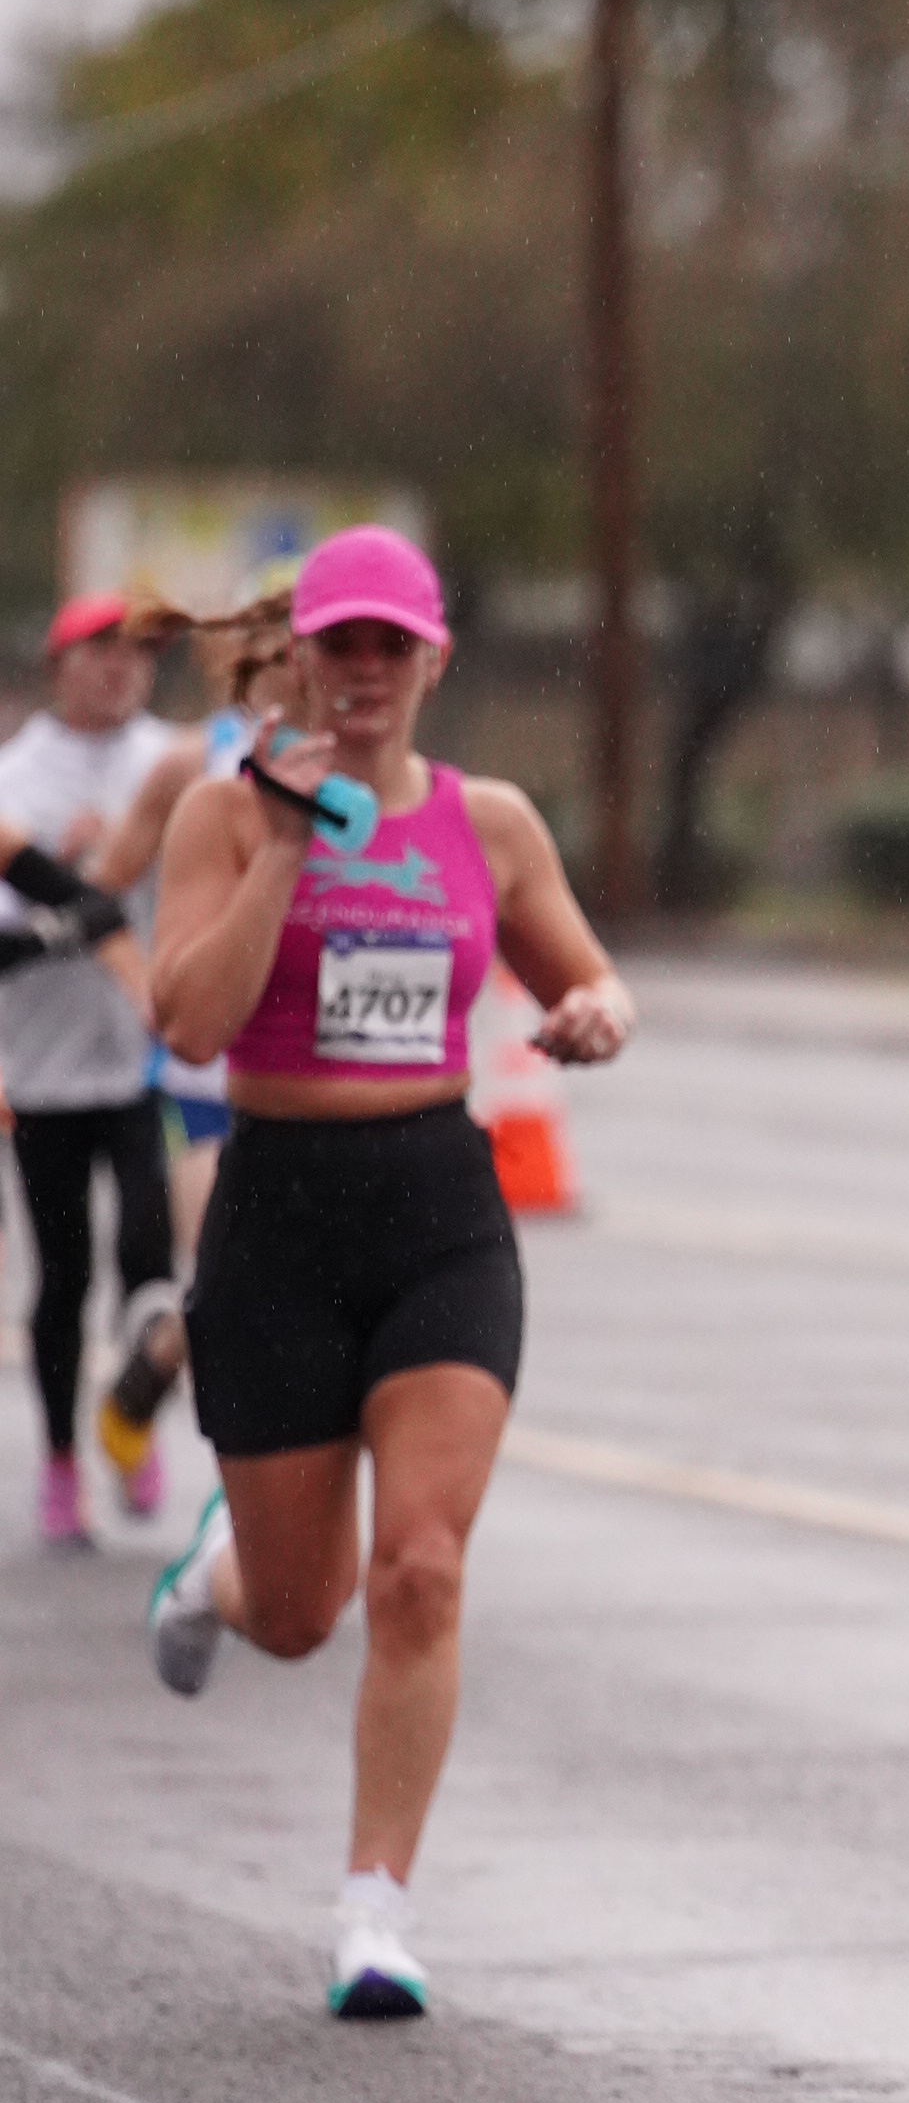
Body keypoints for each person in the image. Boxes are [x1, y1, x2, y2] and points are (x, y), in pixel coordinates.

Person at [142, 524, 633, 2022]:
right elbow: (188, 1023)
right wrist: (292, 845)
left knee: (419, 1568)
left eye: (388, 647)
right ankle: (221, 1575)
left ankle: (375, 1910)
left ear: (433, 662)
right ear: (297, 659)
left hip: (437, 1211)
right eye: (338, 644)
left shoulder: (489, 823)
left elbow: (586, 973)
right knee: (302, 1616)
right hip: (276, 1215)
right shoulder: (221, 816)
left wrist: (597, 1013)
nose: (363, 670)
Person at [78, 576, 304, 1484]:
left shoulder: (368, 766)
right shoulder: (194, 763)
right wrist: (145, 980)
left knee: (299, 1284)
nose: (310, 660)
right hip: (203, 1077)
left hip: (313, 1069)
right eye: (287, 639)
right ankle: (232, 1482)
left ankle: (164, 1350)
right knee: (233, 1276)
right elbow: (100, 891)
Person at [0, 591, 182, 1543]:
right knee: (63, 1276)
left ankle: (132, 1417)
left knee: (151, 1262)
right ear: (59, 663)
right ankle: (62, 1460)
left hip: (147, 1061)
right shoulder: (17, 778)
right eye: (100, 651)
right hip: (43, 1066)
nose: (121, 669)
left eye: (138, 654)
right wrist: (75, 901)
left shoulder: (173, 762)